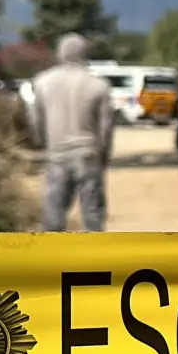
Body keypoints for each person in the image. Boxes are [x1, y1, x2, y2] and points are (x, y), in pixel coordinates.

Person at [30, 33, 114, 232]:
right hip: (88, 152)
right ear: (84, 53)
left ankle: (54, 257)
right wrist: (104, 154)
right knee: (93, 216)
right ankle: (94, 260)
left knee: (54, 215)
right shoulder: (99, 85)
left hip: (57, 152)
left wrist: (42, 141)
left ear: (60, 53)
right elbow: (106, 126)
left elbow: (36, 119)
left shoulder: (43, 82)